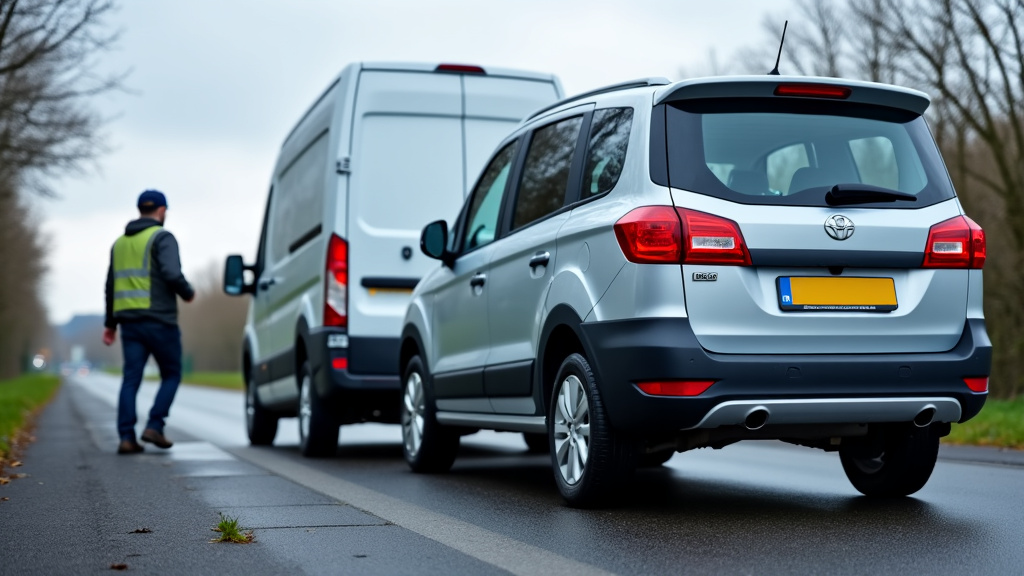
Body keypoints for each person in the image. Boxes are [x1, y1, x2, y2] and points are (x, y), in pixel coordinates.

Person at [102, 189, 195, 454]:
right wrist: (188, 293)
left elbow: (110, 286)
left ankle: (126, 438)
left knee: (131, 379)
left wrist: (110, 324)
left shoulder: (119, 244)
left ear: (139, 209)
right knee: (172, 374)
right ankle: (155, 425)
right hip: (160, 321)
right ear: (162, 211)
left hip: (129, 323)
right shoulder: (162, 237)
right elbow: (172, 273)